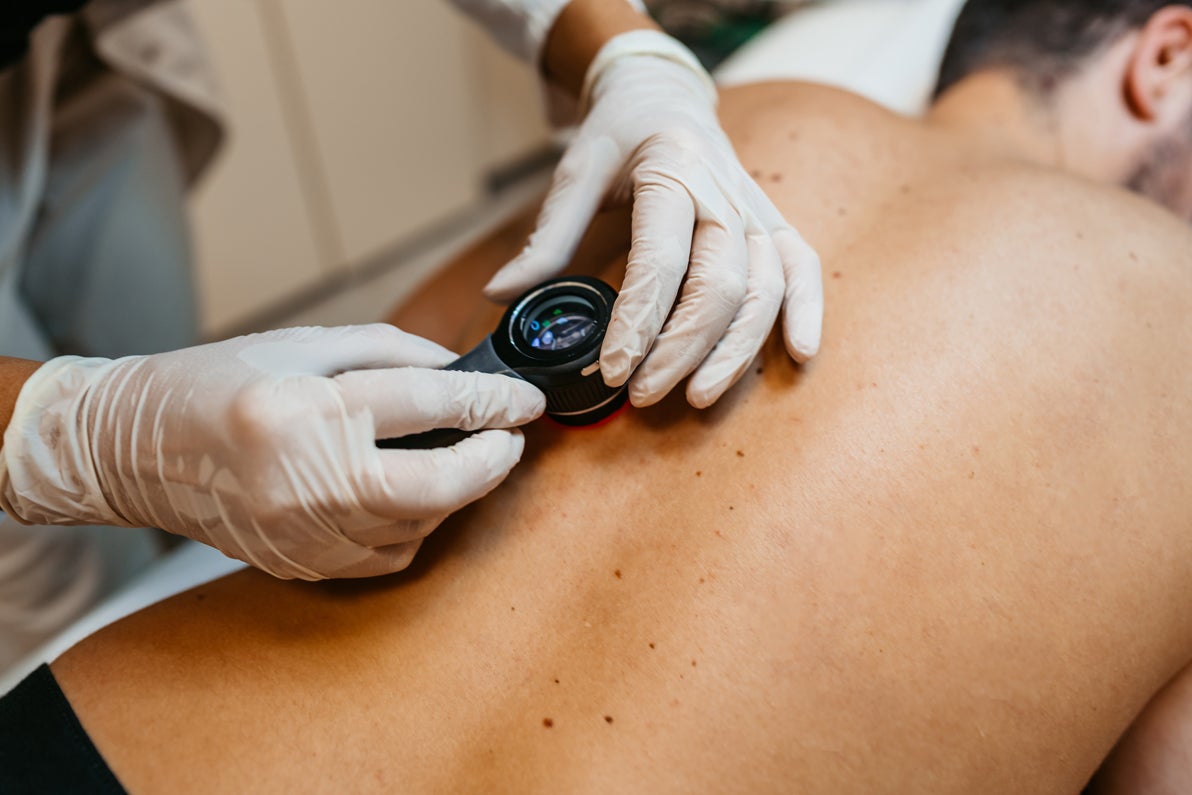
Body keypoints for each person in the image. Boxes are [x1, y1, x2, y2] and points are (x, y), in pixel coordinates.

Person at [4, 0, 1191, 790]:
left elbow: (405, 344)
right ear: (1165, 56)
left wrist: (628, 53)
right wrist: (75, 435)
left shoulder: (737, 121)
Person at [0, 0, 824, 657]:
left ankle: (157, 556)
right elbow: (96, 434)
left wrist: (629, 55)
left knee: (140, 343)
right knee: (47, 555)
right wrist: (83, 435)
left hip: (74, 58)